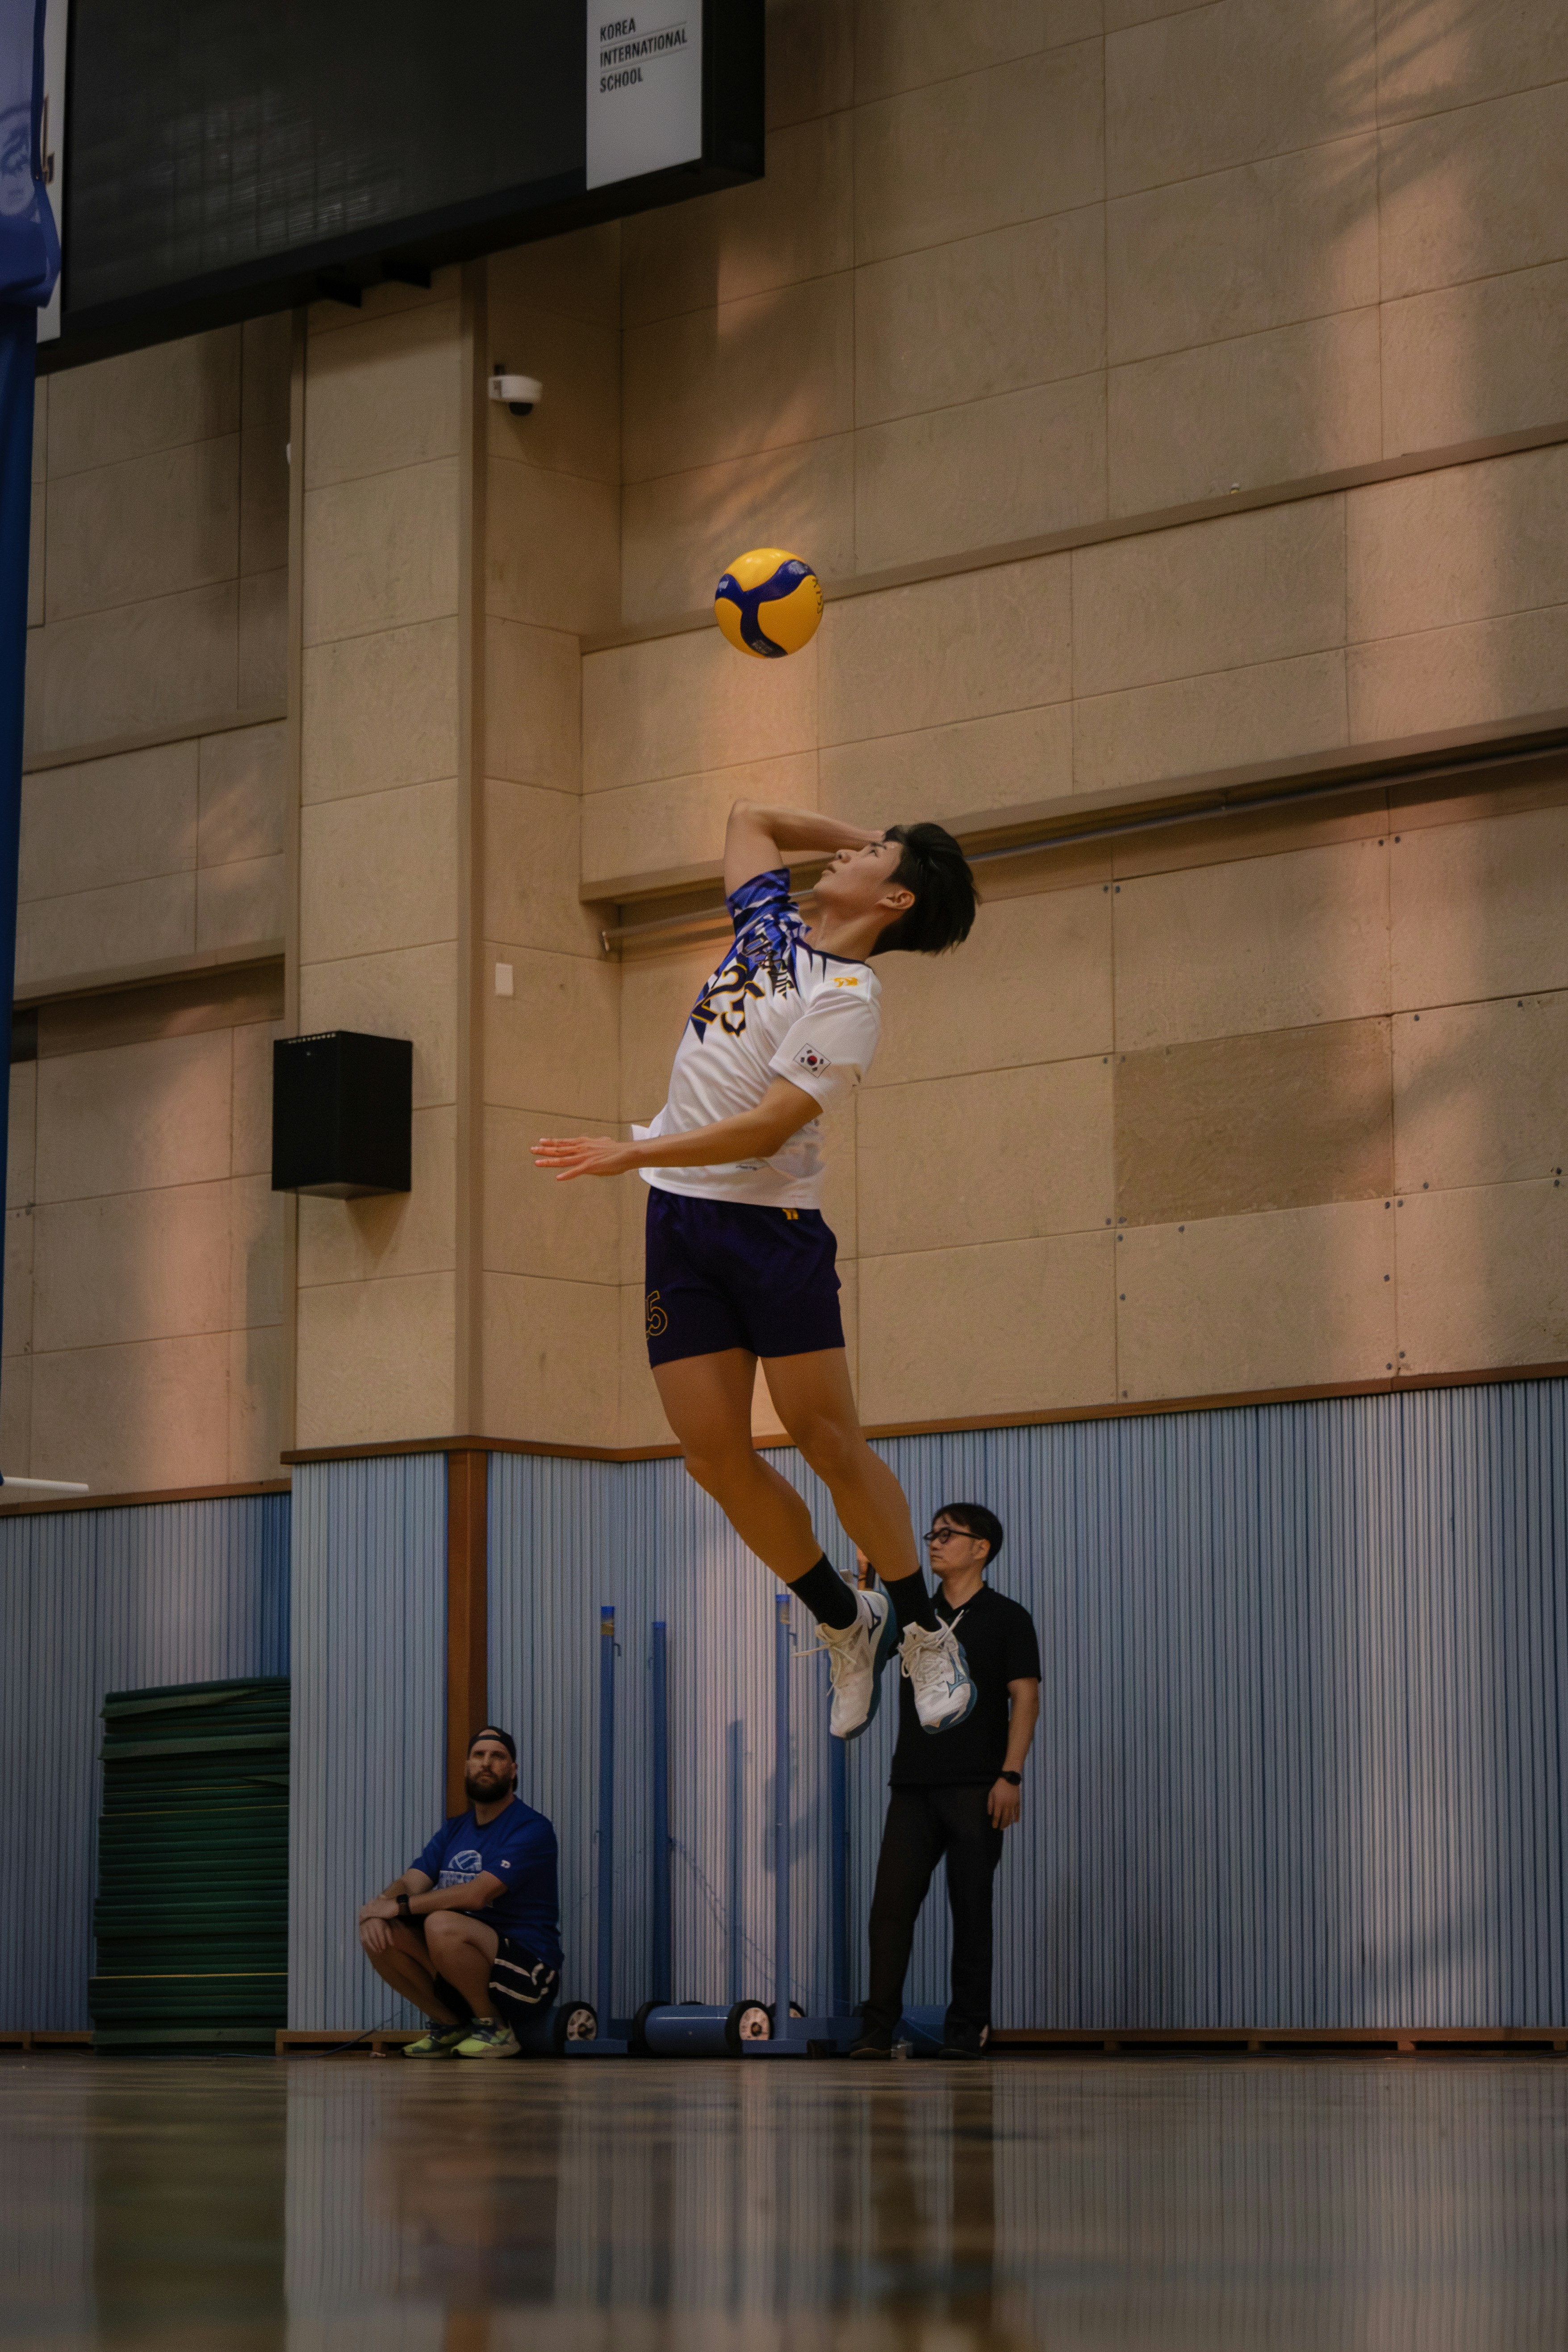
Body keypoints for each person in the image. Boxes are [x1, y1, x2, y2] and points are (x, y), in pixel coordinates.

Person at [533, 800, 979, 1743]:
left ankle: (925, 1628)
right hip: (681, 1225)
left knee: (824, 1437)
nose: (846, 853)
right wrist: (876, 837)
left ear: (896, 897)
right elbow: (752, 817)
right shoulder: (768, 920)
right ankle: (841, 1615)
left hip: (771, 1228)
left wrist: (629, 1150)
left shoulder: (850, 996)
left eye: (869, 857)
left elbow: (770, 1124)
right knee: (711, 1455)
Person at [852, 1503, 1041, 2060]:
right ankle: (875, 2030)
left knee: (971, 1908)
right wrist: (864, 1578)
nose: (933, 1542)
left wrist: (1011, 1774)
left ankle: (966, 2031)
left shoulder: (1008, 1616)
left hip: (978, 1785)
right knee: (889, 1909)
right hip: (912, 1784)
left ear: (980, 1547)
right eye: (930, 1533)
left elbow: (1025, 1699)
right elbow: (862, 1651)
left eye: (946, 1534)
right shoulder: (913, 1614)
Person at [357, 1726, 562, 2058]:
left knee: (439, 1923)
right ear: (467, 1765)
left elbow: (477, 1894)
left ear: (513, 1771)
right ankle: (450, 2025)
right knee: (380, 1933)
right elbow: (410, 1882)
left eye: (498, 1756)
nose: (486, 1763)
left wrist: (399, 1906)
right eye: (479, 1755)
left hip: (530, 1976)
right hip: (466, 1961)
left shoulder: (532, 1828)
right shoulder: (454, 1829)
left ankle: (494, 2029)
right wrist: (381, 1906)